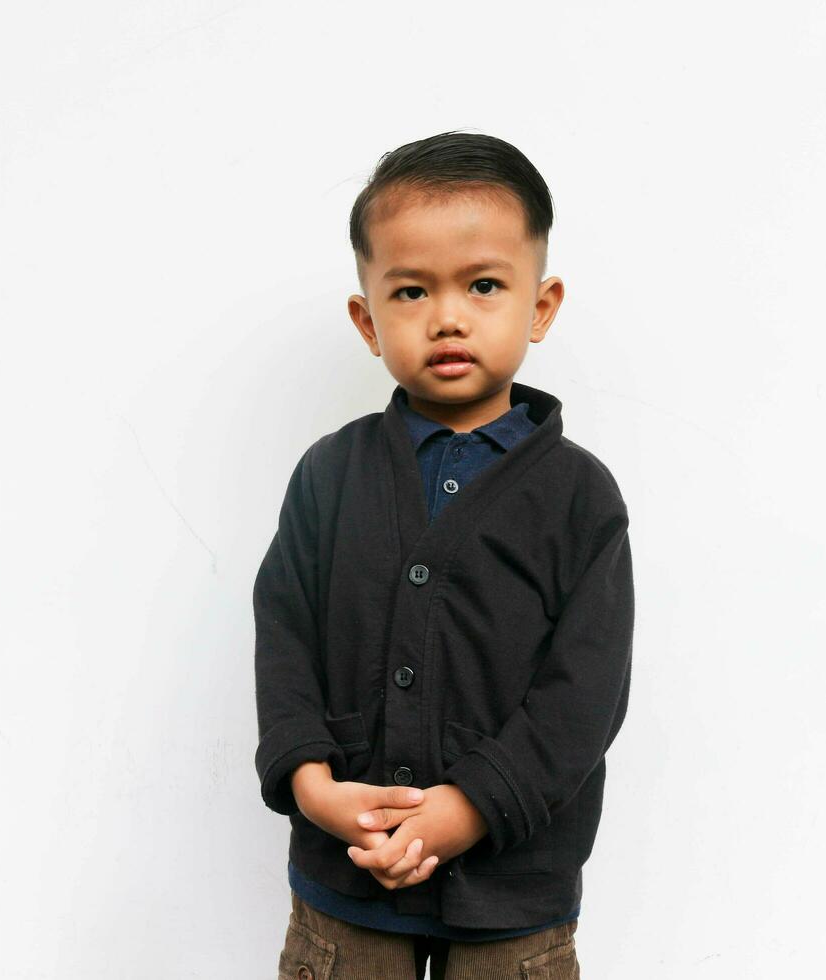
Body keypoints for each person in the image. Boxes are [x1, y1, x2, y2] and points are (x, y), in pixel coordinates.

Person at [253, 131, 635, 980]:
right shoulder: (329, 474)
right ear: (368, 318)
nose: (449, 315)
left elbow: (588, 691)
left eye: (486, 285)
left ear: (540, 305)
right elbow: (283, 639)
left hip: (514, 899)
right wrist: (314, 788)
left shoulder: (581, 499)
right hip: (344, 885)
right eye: (412, 290)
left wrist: (472, 808)